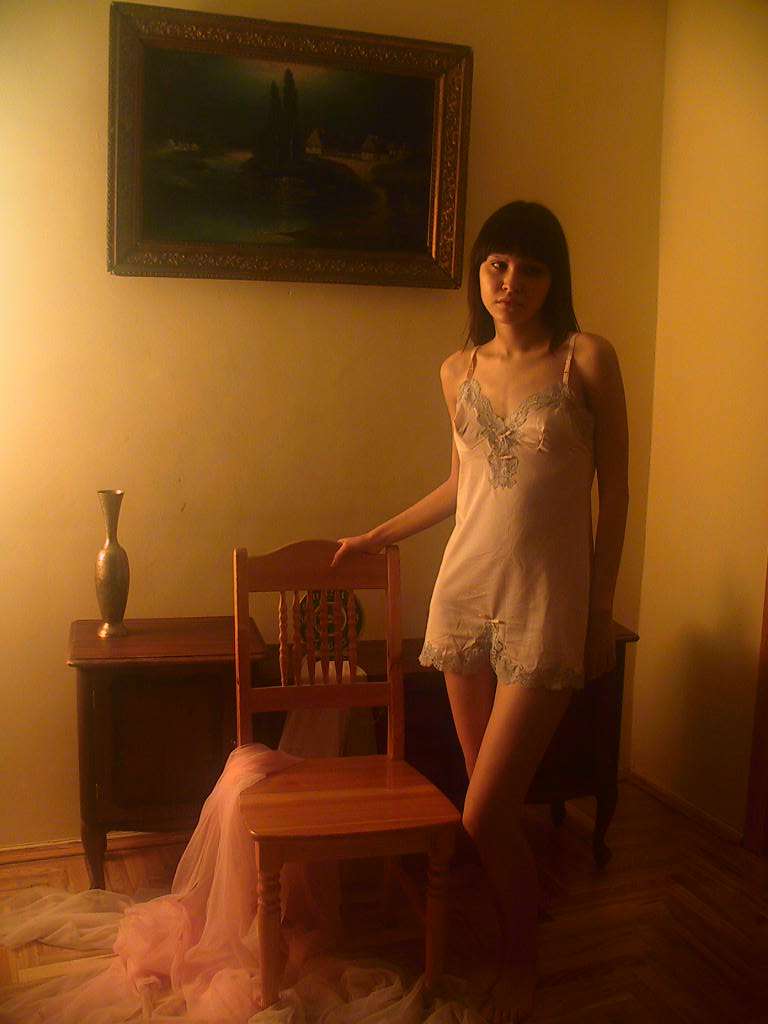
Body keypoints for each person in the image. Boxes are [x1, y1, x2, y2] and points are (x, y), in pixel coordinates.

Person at [333, 200, 629, 1023]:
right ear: (479, 273)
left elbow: (617, 494)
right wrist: (379, 534)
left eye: (531, 267)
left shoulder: (586, 359)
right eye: (498, 264)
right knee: (484, 811)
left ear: (554, 279)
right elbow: (463, 482)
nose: (511, 281)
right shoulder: (456, 370)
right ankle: (517, 928)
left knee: (487, 808)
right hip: (462, 598)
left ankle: (521, 960)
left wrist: (599, 612)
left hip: (547, 605)